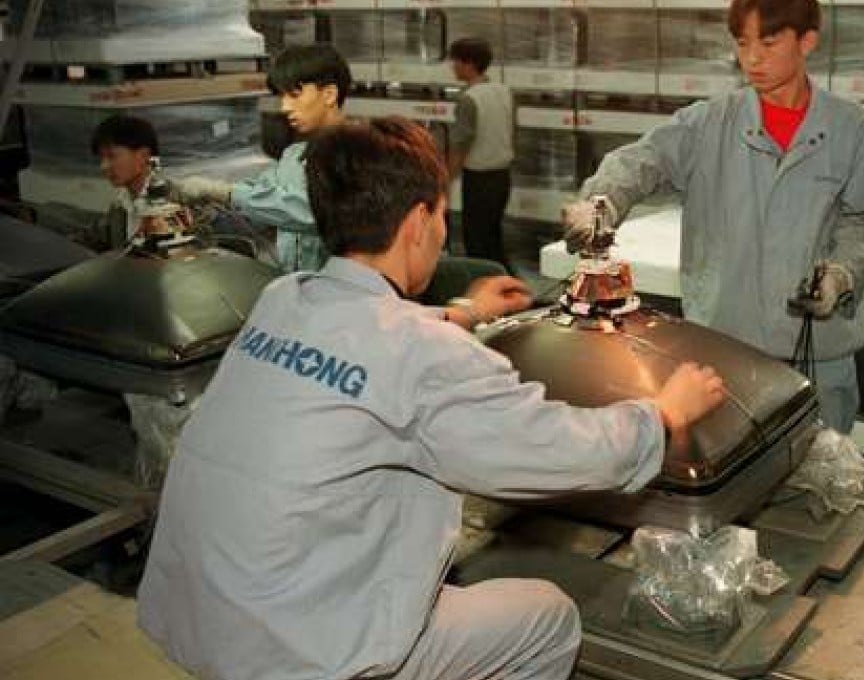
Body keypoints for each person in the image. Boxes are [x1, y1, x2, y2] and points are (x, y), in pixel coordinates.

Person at [137, 116, 726, 680]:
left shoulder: (285, 298)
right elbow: (554, 450)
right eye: (442, 213)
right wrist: (661, 414)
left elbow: (359, 335)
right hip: (307, 650)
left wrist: (464, 311)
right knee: (547, 617)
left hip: (198, 613)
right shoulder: (424, 354)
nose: (443, 228)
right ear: (419, 221)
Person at [563, 0, 864, 434]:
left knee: (815, 484)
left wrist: (841, 275)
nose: (752, 58)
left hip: (818, 352)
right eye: (743, 42)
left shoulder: (851, 128)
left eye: (769, 43)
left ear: (807, 41)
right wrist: (600, 203)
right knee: (733, 485)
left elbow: (861, 221)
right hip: (727, 348)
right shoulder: (707, 123)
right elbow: (640, 162)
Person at [170, 44, 351, 272]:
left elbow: (313, 212)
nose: (285, 107)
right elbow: (265, 196)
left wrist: (225, 192)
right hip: (297, 287)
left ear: (329, 94)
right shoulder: (293, 156)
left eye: (295, 95)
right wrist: (211, 213)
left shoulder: (360, 154)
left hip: (342, 295)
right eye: (282, 96)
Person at [448, 36, 514, 269]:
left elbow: (461, 144)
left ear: (468, 64)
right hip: (502, 177)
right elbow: (513, 130)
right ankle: (509, 286)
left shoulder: (469, 99)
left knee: (476, 242)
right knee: (492, 239)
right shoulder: (504, 92)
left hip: (479, 180)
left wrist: (446, 180)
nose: (452, 67)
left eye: (455, 61)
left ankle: (487, 290)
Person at [90, 114, 160, 249]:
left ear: (143, 155)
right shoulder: (118, 207)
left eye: (112, 156)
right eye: (101, 158)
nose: (103, 166)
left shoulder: (177, 203)